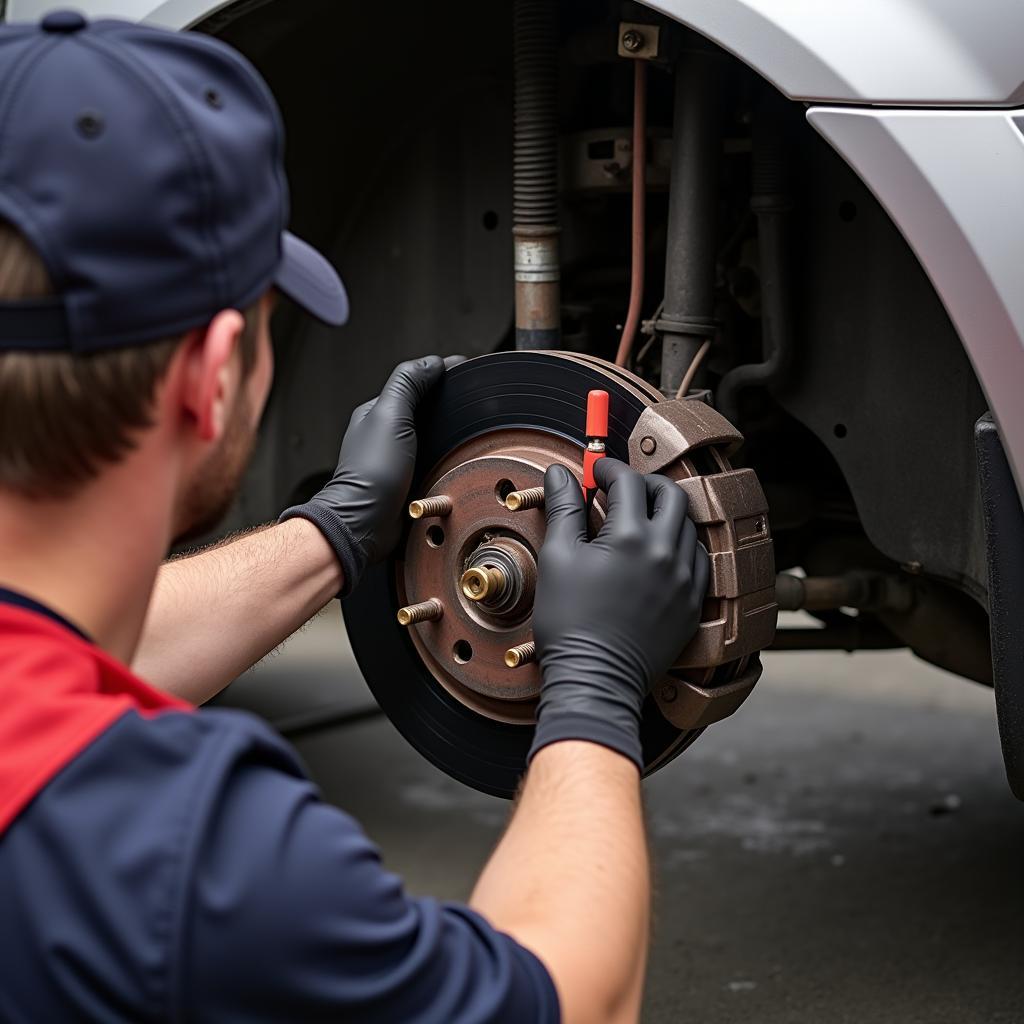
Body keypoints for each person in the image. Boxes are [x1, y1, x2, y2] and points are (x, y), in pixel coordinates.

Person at [0, 13, 708, 1024]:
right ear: (212, 378)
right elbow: (569, 1003)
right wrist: (594, 689)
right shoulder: (186, 862)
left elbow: (54, 662)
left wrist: (330, 531)